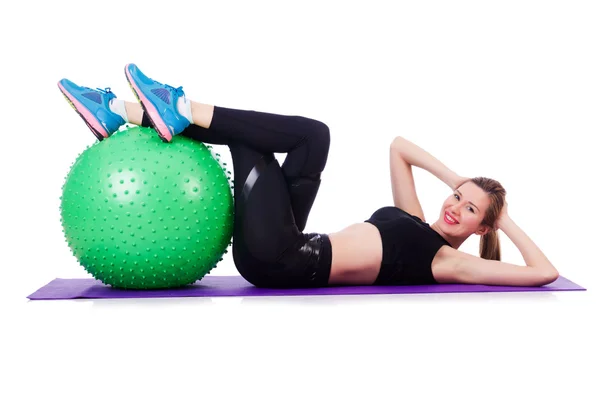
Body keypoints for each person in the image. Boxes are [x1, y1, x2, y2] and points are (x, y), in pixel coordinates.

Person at [57, 64, 560, 289]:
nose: (455, 206)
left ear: (482, 229)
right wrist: (462, 178)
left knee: (295, 136)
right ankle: (123, 111)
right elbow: (399, 147)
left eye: (469, 210)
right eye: (457, 196)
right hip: (291, 239)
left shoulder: (450, 263)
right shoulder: (416, 220)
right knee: (313, 138)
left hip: (283, 260)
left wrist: (505, 219)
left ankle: (165, 108)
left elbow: (543, 273)